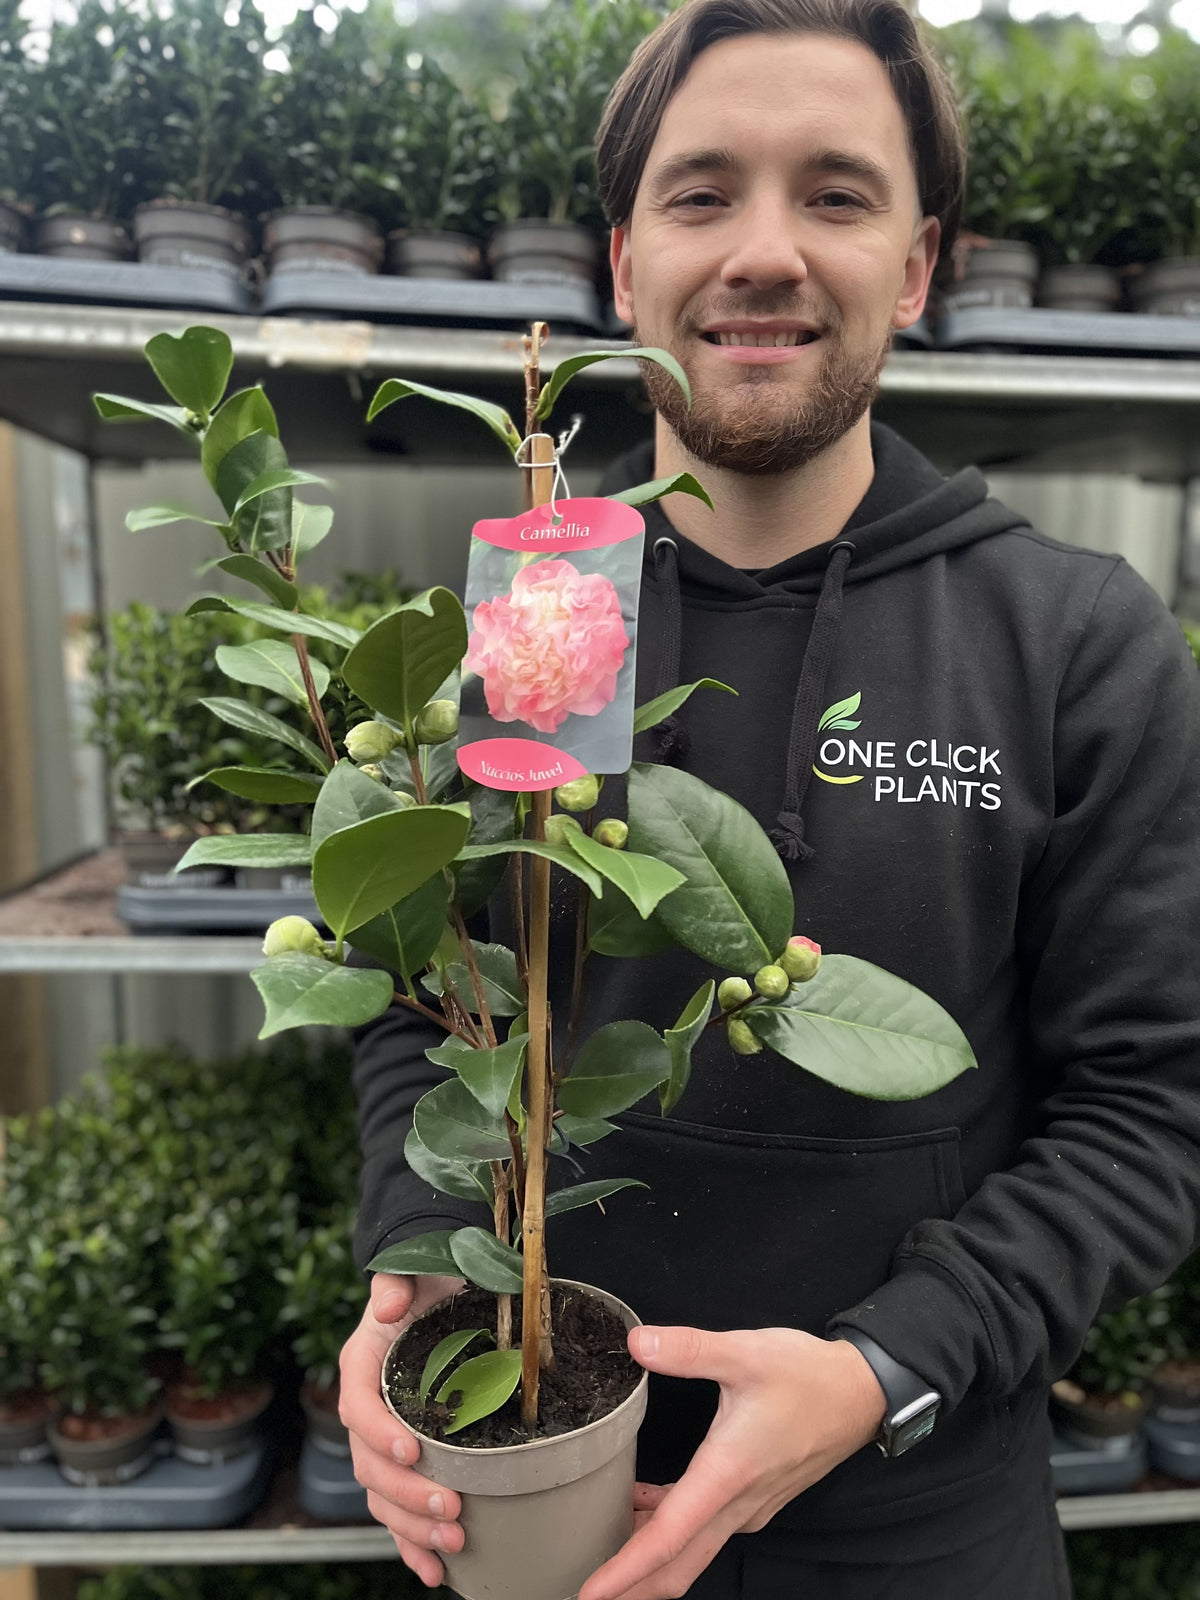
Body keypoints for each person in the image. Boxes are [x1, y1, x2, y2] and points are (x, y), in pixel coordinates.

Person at [339, 1, 1200, 1595]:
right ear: (625, 263)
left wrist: (890, 1365)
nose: (763, 252)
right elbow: (425, 1005)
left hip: (919, 1516)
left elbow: (1154, 1107)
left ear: (918, 266)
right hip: (539, 1493)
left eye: (836, 194)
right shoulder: (531, 624)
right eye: (702, 192)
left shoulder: (1074, 643)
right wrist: (410, 1276)